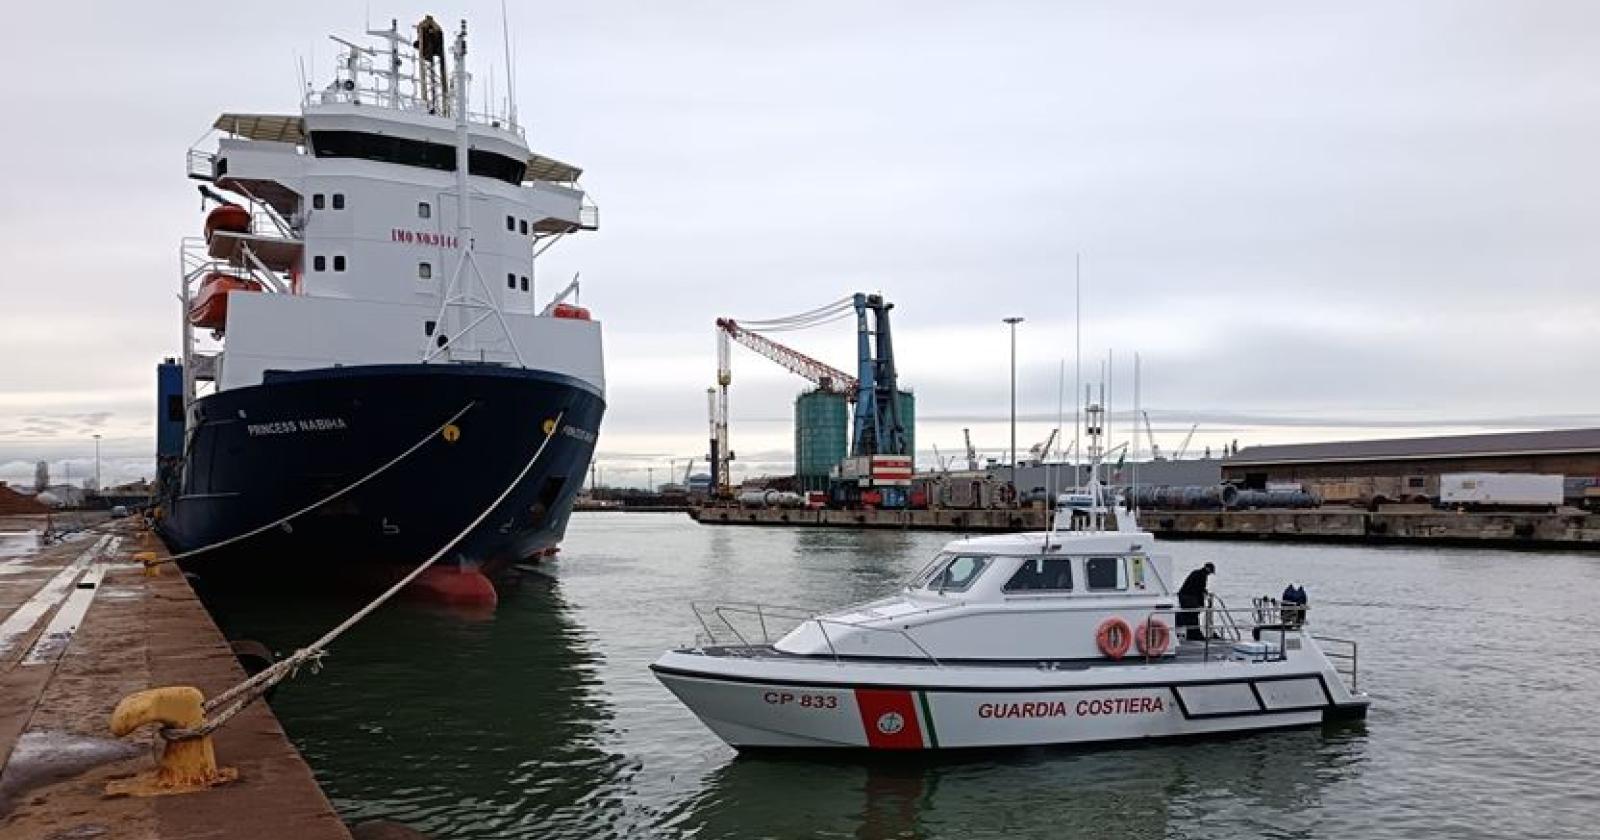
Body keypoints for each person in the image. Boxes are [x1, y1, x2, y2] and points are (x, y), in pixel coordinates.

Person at [1177, 562, 1215, 641]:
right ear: (1207, 569)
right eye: (1210, 572)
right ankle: (1194, 635)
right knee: (1192, 616)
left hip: (1184, 597)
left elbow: (1199, 588)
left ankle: (1192, 634)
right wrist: (1201, 604)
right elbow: (1199, 590)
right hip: (1188, 598)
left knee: (1190, 616)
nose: (1210, 574)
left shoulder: (1196, 573)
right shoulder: (1202, 576)